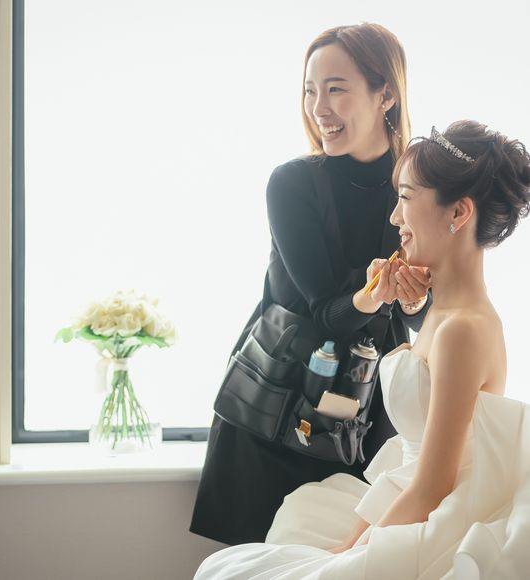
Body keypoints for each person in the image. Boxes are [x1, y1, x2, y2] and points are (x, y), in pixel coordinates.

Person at [193, 120, 530, 579]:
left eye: (406, 198)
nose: (394, 218)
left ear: (458, 212)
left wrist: (347, 559)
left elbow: (432, 486)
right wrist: (346, 548)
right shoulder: (440, 314)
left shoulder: (462, 331)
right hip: (405, 504)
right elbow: (409, 473)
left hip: (432, 523)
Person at [190, 23, 434, 546]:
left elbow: (428, 314)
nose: (318, 107)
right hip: (275, 411)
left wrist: (414, 301)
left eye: (336, 89)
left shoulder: (418, 189)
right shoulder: (292, 183)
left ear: (385, 94)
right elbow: (326, 310)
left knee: (355, 560)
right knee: (256, 566)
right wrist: (378, 293)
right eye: (310, 90)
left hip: (364, 420)